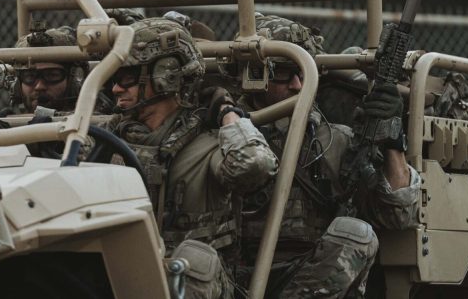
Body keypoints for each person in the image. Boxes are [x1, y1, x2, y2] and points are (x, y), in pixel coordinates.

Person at [236, 15, 421, 298]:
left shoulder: (333, 141)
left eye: (305, 73)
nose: (298, 85)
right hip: (233, 277)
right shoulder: (225, 132)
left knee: (356, 234)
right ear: (254, 73)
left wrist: (393, 139)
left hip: (307, 280)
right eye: (284, 72)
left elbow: (399, 215)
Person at [109, 16, 279, 299]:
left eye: (126, 78)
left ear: (165, 75)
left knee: (193, 261)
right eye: (114, 78)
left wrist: (227, 113)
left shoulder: (209, 143)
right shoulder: (109, 136)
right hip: (125, 277)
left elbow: (256, 165)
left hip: (199, 284)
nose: (116, 89)